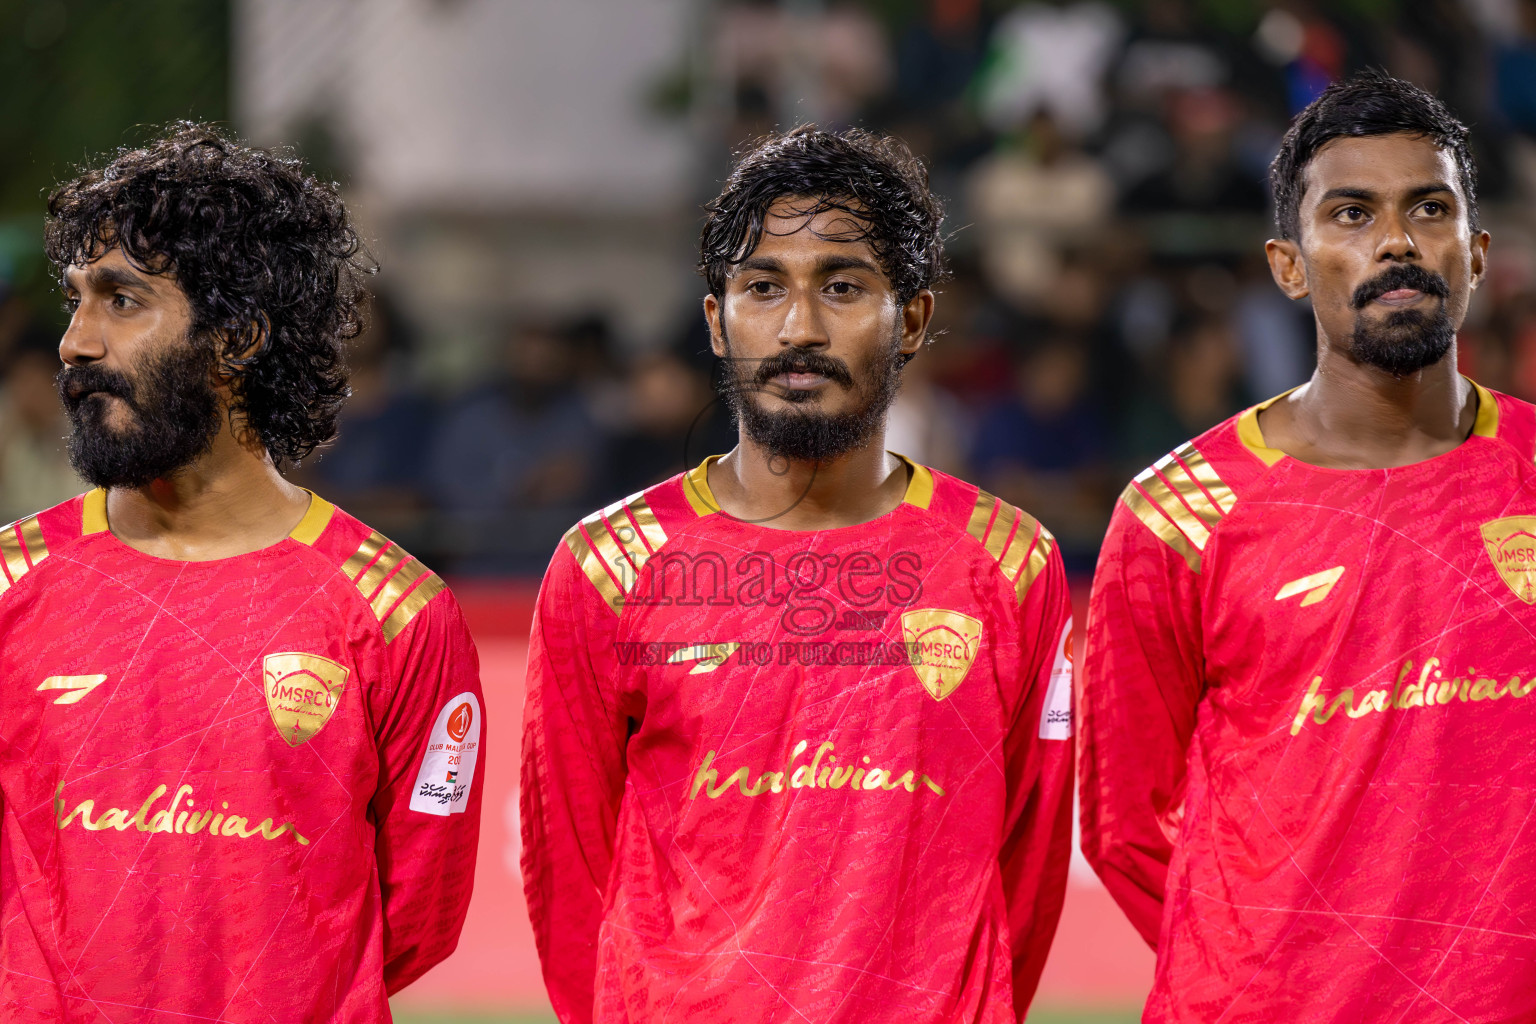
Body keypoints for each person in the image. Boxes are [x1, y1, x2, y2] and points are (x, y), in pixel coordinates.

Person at [521, 126, 1074, 1023]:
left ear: (917, 320)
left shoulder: (1010, 565)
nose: (800, 328)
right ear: (716, 320)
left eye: (844, 286)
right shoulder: (608, 567)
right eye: (763, 287)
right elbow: (570, 868)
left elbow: (1031, 863)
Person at [0, 124, 484, 1022]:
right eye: (76, 300)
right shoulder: (9, 586)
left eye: (121, 300)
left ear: (237, 339)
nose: (73, 341)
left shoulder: (399, 615)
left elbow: (414, 917)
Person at [1080, 71, 1536, 1021]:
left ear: (1478, 252)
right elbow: (1126, 827)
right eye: (1351, 213)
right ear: (1289, 265)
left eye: (1429, 208)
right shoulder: (1178, 517)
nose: (1398, 241)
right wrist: (1282, 967)